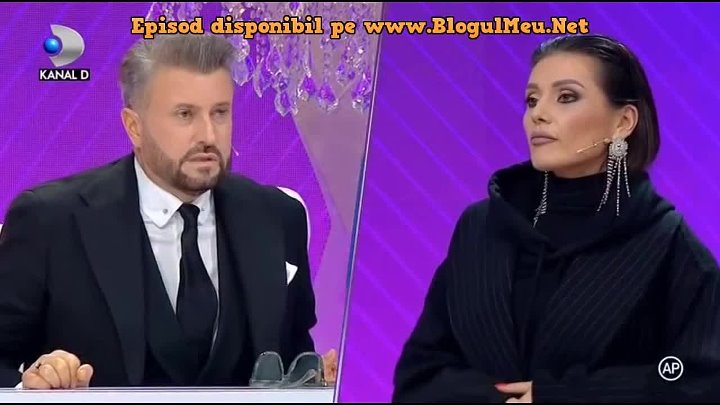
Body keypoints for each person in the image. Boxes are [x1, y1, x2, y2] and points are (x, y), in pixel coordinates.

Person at [393, 34, 720, 403]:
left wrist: (563, 395)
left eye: (566, 97)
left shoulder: (669, 246)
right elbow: (419, 375)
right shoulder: (480, 228)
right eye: (532, 100)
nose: (538, 114)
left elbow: (698, 379)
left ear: (623, 122)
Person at [0, 34, 336, 389]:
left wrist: (319, 381)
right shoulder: (49, 221)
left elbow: (294, 359)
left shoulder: (279, 217)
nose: (208, 135)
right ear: (134, 127)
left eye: (220, 112)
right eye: (185, 114)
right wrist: (30, 388)